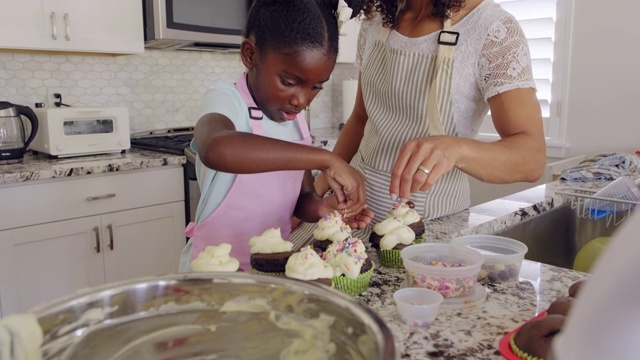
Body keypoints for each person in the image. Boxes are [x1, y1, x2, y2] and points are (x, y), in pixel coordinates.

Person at [312, 0, 547, 225]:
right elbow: (361, 119)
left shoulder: (492, 30)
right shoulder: (376, 20)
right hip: (351, 216)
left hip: (430, 229)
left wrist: (456, 149)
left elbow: (531, 159)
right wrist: (317, 188)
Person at [179, 0, 373, 272]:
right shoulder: (227, 99)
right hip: (214, 273)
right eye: (289, 82)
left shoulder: (295, 124)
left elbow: (302, 199)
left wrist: (324, 208)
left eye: (316, 87)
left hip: (274, 271)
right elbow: (217, 148)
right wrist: (326, 159)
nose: (301, 100)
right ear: (250, 55)